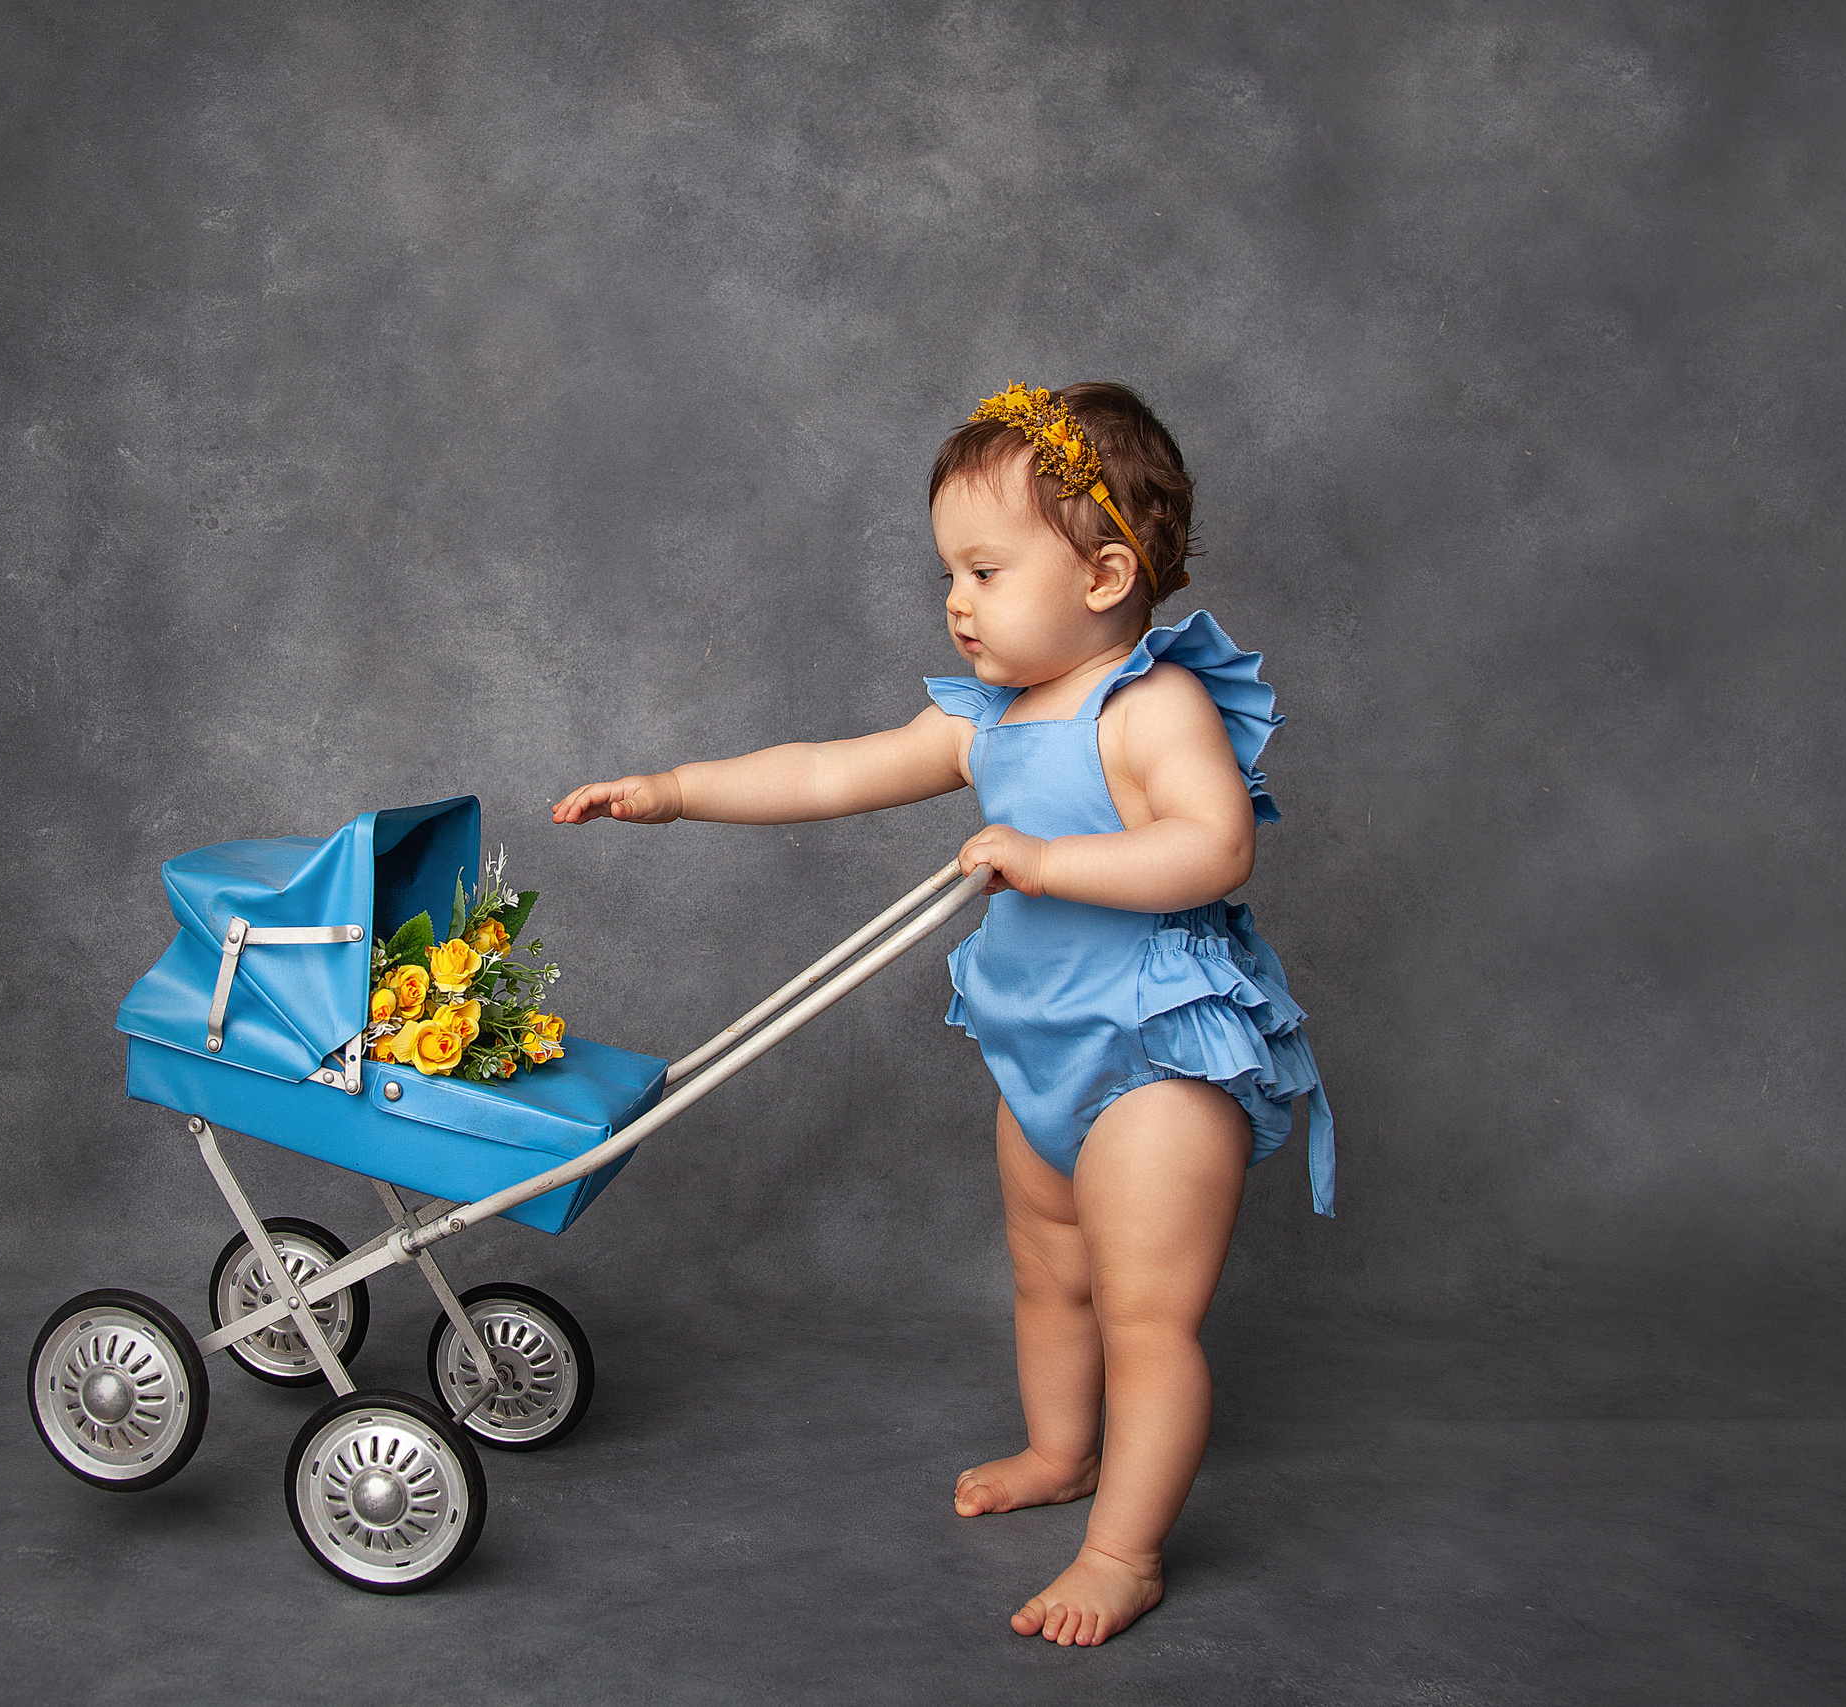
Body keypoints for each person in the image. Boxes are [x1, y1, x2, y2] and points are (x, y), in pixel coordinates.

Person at [552, 381, 1336, 1648]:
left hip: (1152, 1060)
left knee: (1146, 1316)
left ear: (1102, 575)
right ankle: (1058, 1450)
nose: (954, 602)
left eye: (982, 569)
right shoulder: (985, 718)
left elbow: (1213, 847)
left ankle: (1124, 1553)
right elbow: (828, 769)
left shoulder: (1149, 710)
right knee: (1049, 1277)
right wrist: (675, 790)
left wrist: (1049, 860)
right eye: (947, 575)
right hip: (1037, 1056)